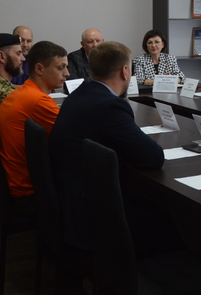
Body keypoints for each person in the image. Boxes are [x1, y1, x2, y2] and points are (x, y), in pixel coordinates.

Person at [50, 41, 166, 251]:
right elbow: (153, 157)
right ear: (125, 71)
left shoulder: (79, 93)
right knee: (166, 220)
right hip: (91, 212)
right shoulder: (109, 105)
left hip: (68, 199)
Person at [0, 41, 70, 197]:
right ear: (39, 69)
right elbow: (73, 136)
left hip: (10, 180)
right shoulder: (39, 101)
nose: (67, 74)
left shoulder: (22, 91)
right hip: (28, 189)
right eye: (60, 68)